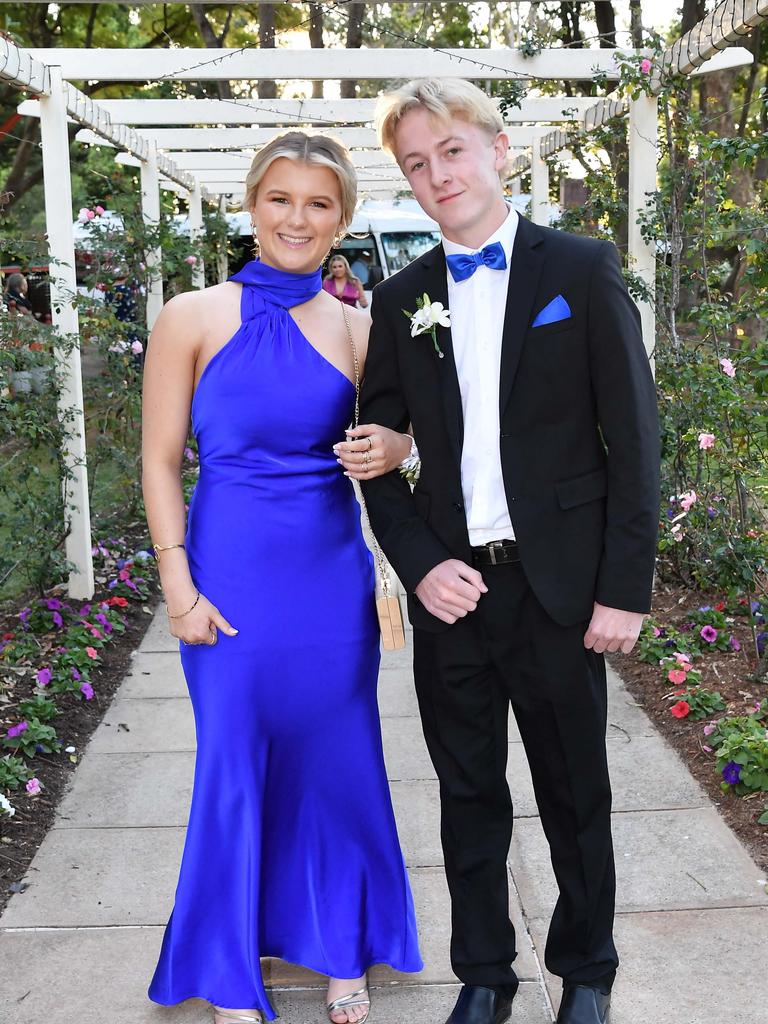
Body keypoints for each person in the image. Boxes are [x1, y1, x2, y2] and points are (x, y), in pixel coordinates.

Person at [343, 78, 660, 1024]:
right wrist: (417, 560)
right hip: (454, 594)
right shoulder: (402, 300)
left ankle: (587, 971)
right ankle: (484, 973)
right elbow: (375, 449)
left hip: (560, 589)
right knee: (468, 793)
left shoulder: (582, 269)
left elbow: (634, 439)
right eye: (416, 163)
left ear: (498, 150)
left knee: (575, 795)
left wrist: (624, 588)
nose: (437, 174)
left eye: (451, 150)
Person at [141, 130, 421, 1024]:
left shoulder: (359, 327)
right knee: (233, 761)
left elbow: (402, 449)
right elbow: (158, 461)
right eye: (280, 199)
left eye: (319, 203)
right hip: (226, 578)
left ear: (341, 219)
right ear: (251, 205)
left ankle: (342, 949)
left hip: (330, 581)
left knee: (338, 764)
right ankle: (229, 965)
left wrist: (399, 448)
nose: (297, 218)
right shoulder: (192, 314)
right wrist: (177, 587)